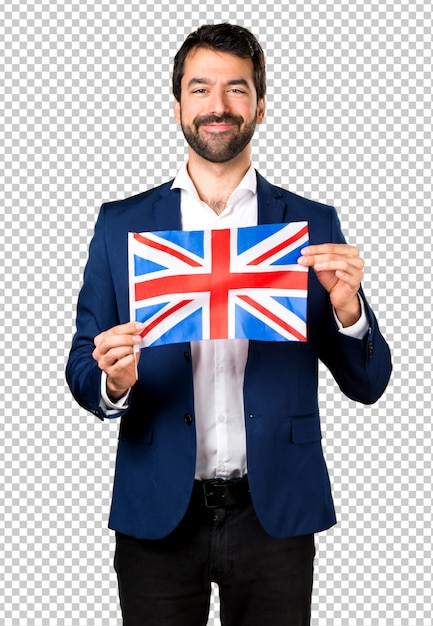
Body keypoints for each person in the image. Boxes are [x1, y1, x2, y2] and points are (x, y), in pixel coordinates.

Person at [66, 23, 392, 626]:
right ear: (177, 107)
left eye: (237, 89)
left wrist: (349, 312)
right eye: (200, 89)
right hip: (158, 510)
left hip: (274, 512)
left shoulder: (313, 223)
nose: (218, 105)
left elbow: (368, 384)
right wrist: (113, 380)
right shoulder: (121, 224)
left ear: (261, 107)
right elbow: (82, 366)